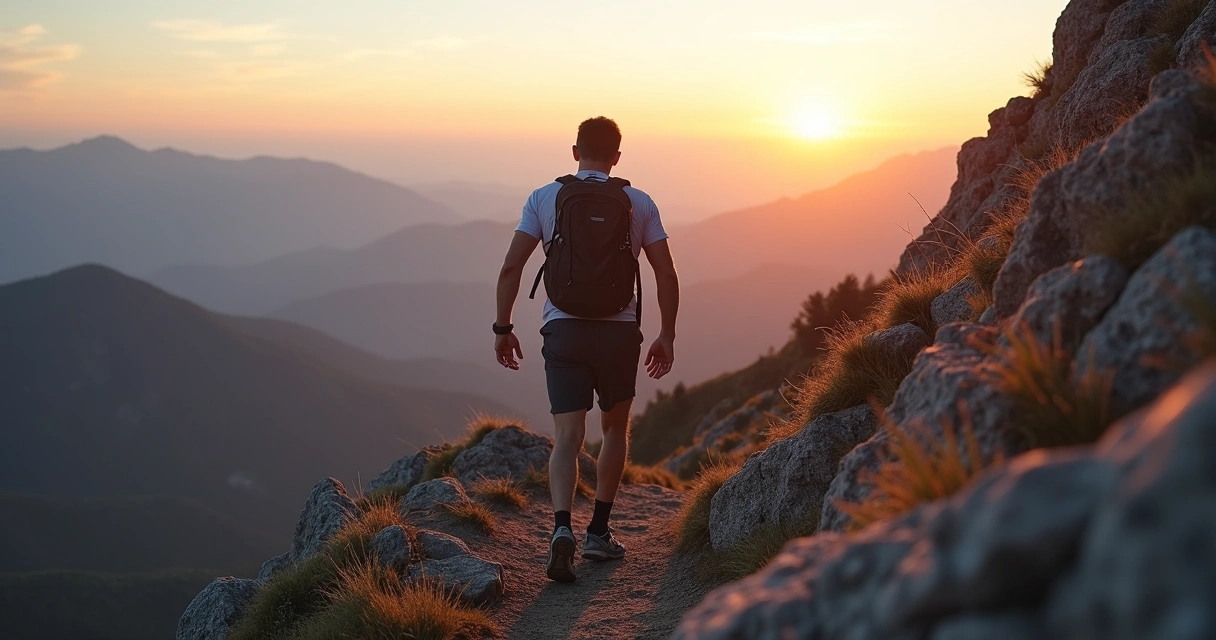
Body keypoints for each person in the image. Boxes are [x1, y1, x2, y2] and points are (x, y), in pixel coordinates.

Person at [493, 116, 680, 582]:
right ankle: (598, 532)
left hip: (564, 332)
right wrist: (667, 335)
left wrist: (503, 326)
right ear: (617, 156)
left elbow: (510, 268)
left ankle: (561, 529)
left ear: (575, 152)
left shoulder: (545, 197)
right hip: (619, 333)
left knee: (568, 437)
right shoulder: (639, 202)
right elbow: (666, 274)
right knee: (614, 429)